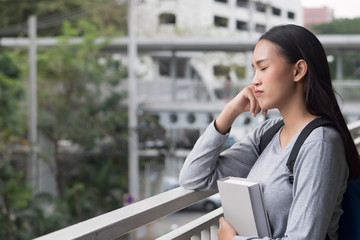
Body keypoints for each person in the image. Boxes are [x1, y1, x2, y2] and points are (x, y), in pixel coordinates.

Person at [178, 24, 360, 240]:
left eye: (263, 68)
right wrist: (229, 112)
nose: (255, 80)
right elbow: (194, 177)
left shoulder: (319, 144)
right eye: (254, 70)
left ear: (298, 70)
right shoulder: (268, 133)